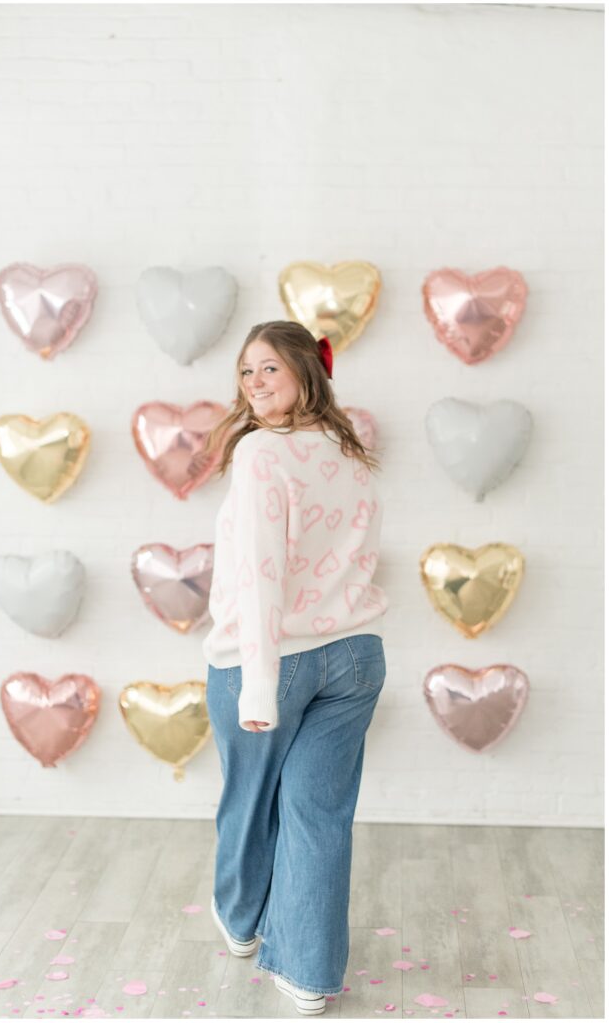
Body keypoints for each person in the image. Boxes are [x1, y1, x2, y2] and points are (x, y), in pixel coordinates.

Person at [201, 320, 388, 1016]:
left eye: (268, 370)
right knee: (318, 815)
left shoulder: (259, 454)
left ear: (307, 372)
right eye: (246, 372)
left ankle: (244, 923)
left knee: (249, 804)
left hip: (271, 656)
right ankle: (307, 973)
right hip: (357, 656)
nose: (253, 384)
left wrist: (257, 681)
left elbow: (259, 573)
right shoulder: (351, 448)